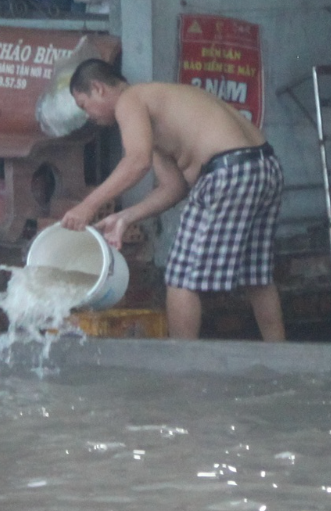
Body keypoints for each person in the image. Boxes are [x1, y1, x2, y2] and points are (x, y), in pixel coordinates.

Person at [59, 60, 285, 342]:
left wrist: (88, 205)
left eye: (84, 105)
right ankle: (280, 356)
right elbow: (173, 187)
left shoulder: (130, 99)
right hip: (264, 166)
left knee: (180, 279)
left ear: (98, 88)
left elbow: (137, 161)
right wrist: (124, 217)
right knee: (257, 276)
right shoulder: (156, 108)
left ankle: (181, 366)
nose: (87, 116)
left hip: (226, 172)